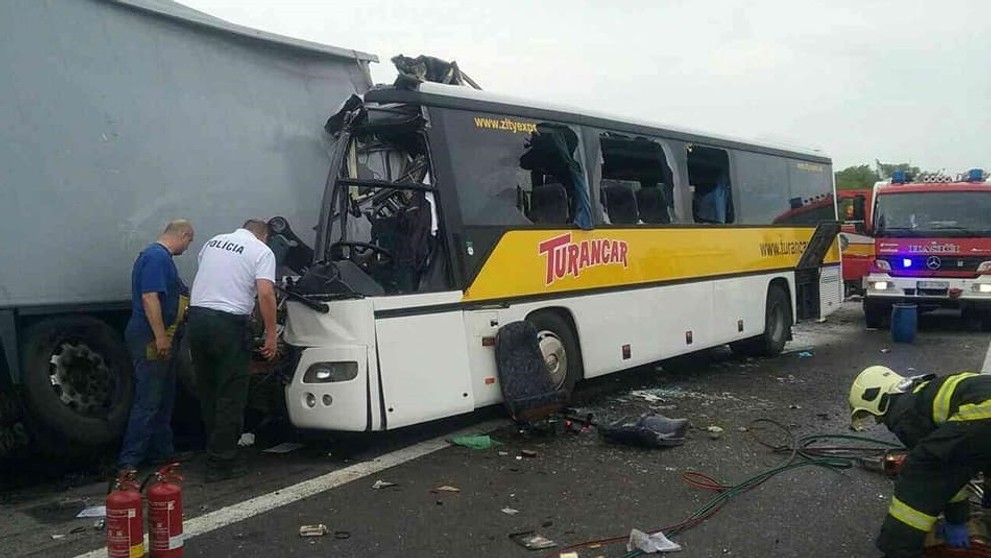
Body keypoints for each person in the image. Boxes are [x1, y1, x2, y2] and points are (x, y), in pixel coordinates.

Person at [849, 365, 991, 557]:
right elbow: (956, 464)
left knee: (919, 471)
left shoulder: (904, 411)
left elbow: (941, 472)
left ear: (877, 399)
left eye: (874, 415)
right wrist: (958, 517)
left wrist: (957, 520)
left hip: (985, 411)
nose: (879, 421)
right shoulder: (923, 392)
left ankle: (899, 549)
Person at [187, 219, 278, 482]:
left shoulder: (213, 241)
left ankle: (213, 449)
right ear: (264, 236)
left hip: (197, 320)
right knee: (231, 393)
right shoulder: (261, 251)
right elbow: (265, 293)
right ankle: (222, 462)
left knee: (209, 390)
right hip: (228, 325)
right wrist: (271, 334)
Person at [117, 220, 195, 473]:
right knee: (148, 400)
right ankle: (129, 462)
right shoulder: (156, 258)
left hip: (162, 336)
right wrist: (160, 337)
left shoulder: (159, 258)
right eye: (189, 241)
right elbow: (150, 297)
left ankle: (162, 453)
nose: (187, 247)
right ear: (183, 235)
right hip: (151, 338)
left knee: (163, 399)